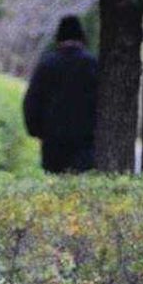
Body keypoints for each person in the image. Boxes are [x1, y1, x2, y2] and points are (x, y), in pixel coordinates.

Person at [22, 14, 99, 173]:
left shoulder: (47, 65)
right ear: (81, 37)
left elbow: (32, 102)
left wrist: (36, 130)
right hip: (85, 142)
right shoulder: (92, 64)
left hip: (53, 141)